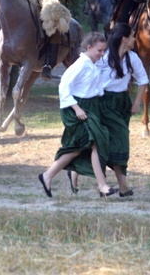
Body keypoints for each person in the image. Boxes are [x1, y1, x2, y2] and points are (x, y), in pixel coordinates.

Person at [38, 32, 116, 198]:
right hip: (76, 109)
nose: (102, 54)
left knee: (82, 147)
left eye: (104, 50)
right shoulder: (80, 65)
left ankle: (48, 175)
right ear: (89, 48)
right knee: (89, 144)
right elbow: (63, 87)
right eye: (99, 50)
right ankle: (102, 186)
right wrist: (76, 108)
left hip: (90, 107)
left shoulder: (93, 64)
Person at [95, 23, 148, 197]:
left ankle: (117, 186)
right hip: (104, 103)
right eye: (133, 36)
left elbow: (143, 80)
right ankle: (119, 185)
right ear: (124, 38)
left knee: (113, 143)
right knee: (120, 139)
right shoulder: (104, 57)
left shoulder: (132, 57)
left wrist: (137, 102)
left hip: (122, 103)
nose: (135, 39)